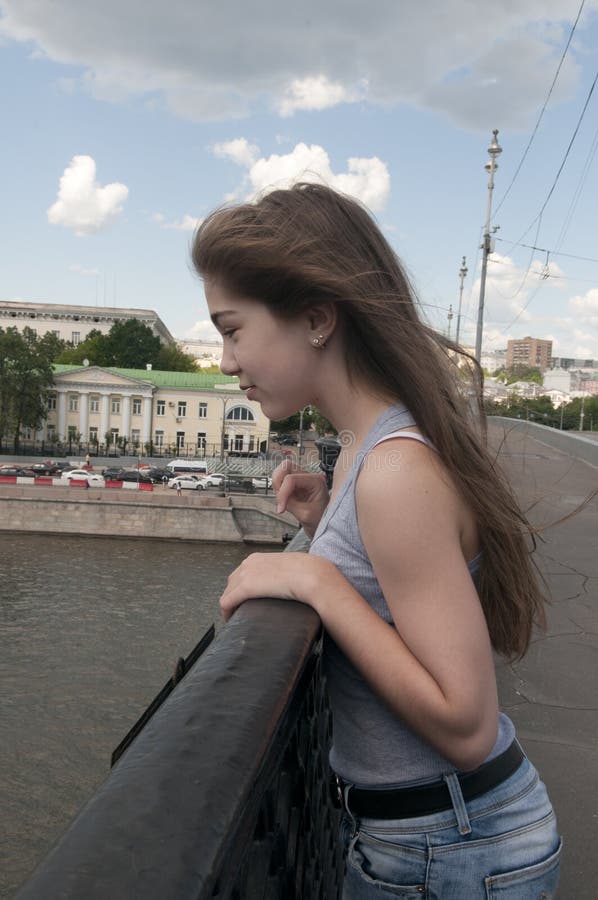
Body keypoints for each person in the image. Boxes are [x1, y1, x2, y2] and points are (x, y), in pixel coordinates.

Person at [191, 183, 561, 898]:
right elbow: (398, 578)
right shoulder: (366, 445)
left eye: (232, 329)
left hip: (455, 851)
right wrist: (329, 527)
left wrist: (318, 581)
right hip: (438, 842)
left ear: (317, 319)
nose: (227, 361)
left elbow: (467, 724)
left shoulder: (391, 468)